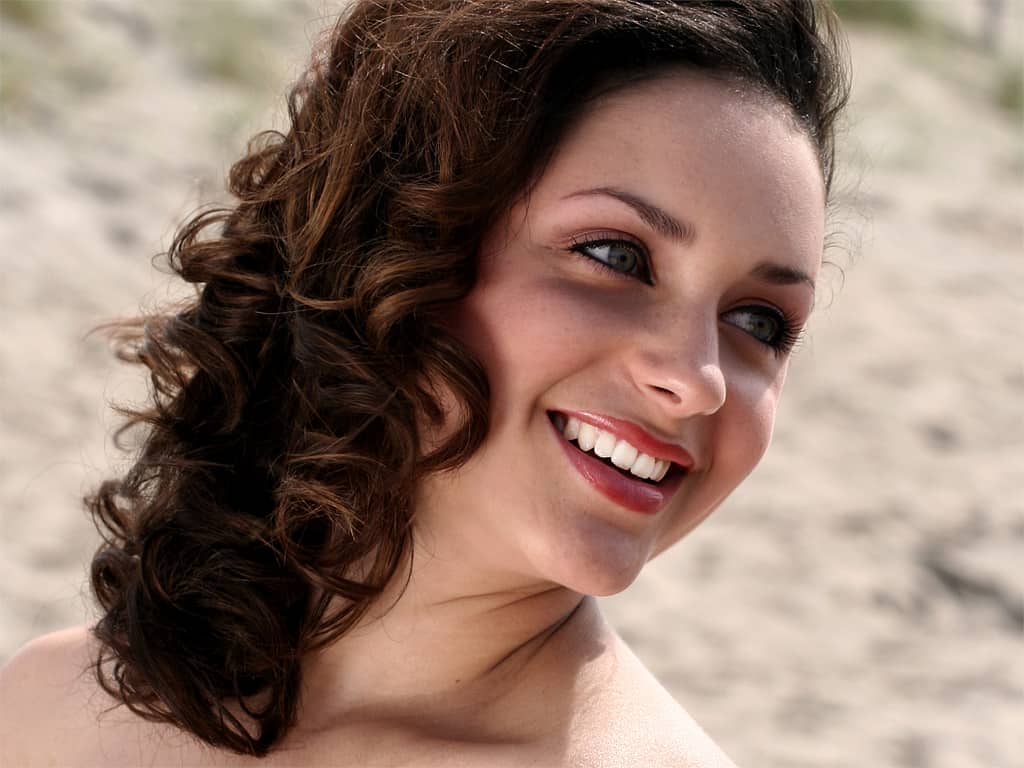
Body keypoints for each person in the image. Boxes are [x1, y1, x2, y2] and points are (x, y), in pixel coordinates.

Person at [0, 1, 850, 765]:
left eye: (758, 322)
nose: (698, 379)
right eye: (615, 255)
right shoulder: (57, 709)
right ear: (398, 244)